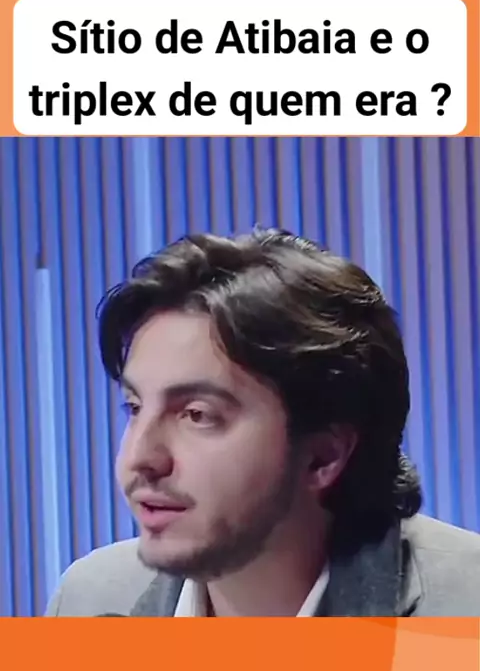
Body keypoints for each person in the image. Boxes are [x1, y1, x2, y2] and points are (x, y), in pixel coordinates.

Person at [45, 228, 480, 617]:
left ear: (323, 456)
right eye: (135, 407)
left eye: (197, 415)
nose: (138, 459)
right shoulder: (90, 600)